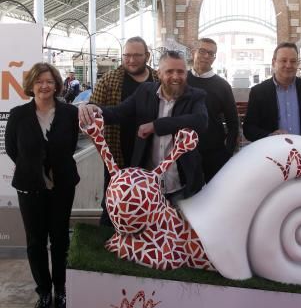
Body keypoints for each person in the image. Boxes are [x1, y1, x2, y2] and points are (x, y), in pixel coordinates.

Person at [79, 51, 208, 206]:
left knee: (179, 229)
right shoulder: (144, 92)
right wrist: (92, 108)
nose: (176, 76)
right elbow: (118, 113)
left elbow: (201, 121)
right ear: (159, 74)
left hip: (182, 184)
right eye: (169, 71)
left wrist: (156, 126)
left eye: (180, 71)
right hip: (147, 187)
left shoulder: (196, 96)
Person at [5, 63, 79, 308]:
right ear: (31, 85)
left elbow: (70, 145)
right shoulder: (18, 115)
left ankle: (60, 288)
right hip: (30, 186)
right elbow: (14, 150)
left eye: (49, 81)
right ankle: (43, 292)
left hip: (63, 185)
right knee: (35, 241)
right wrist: (35, 169)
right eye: (39, 81)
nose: (44, 86)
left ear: (57, 84)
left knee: (60, 239)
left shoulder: (70, 113)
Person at [89, 37, 158, 224]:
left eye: (137, 55)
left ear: (147, 56)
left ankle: (144, 245)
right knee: (112, 201)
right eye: (127, 55)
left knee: (150, 201)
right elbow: (93, 109)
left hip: (151, 156)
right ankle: (109, 245)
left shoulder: (159, 79)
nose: (131, 60)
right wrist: (85, 109)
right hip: (116, 155)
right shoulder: (109, 80)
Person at [243, 42, 301, 145]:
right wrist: (269, 136)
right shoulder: (258, 92)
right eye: (283, 60)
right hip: (272, 153)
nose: (288, 65)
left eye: (293, 61)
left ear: (297, 64)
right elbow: (249, 128)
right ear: (274, 63)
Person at [187, 38, 239, 181]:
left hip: (214, 152)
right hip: (183, 152)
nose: (206, 56)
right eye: (202, 51)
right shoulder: (181, 79)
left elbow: (233, 122)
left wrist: (227, 151)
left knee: (214, 194)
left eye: (211, 53)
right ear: (193, 53)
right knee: (187, 197)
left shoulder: (222, 86)